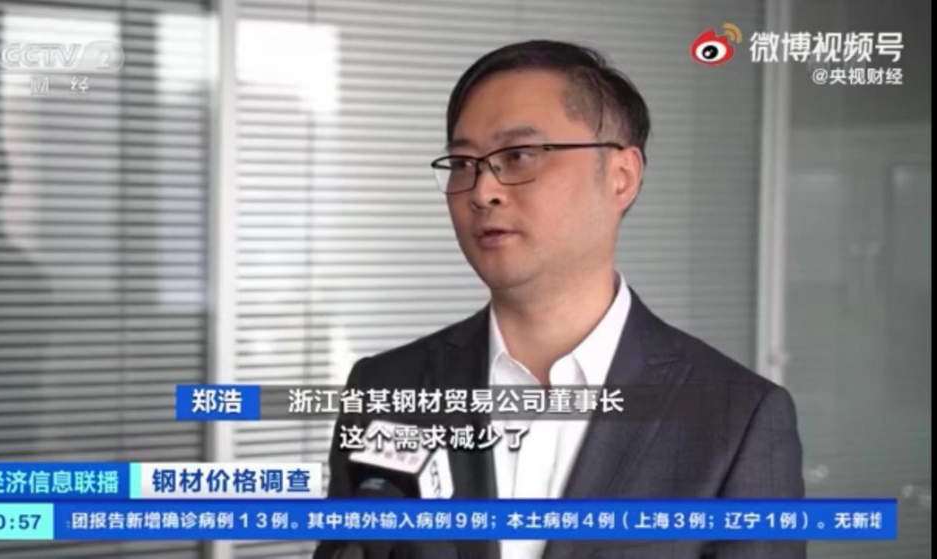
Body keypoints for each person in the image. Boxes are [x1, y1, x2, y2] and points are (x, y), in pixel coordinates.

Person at [315, 39, 804, 559]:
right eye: (462, 162)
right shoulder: (386, 388)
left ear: (621, 177)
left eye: (518, 156)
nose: (481, 191)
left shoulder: (736, 418)